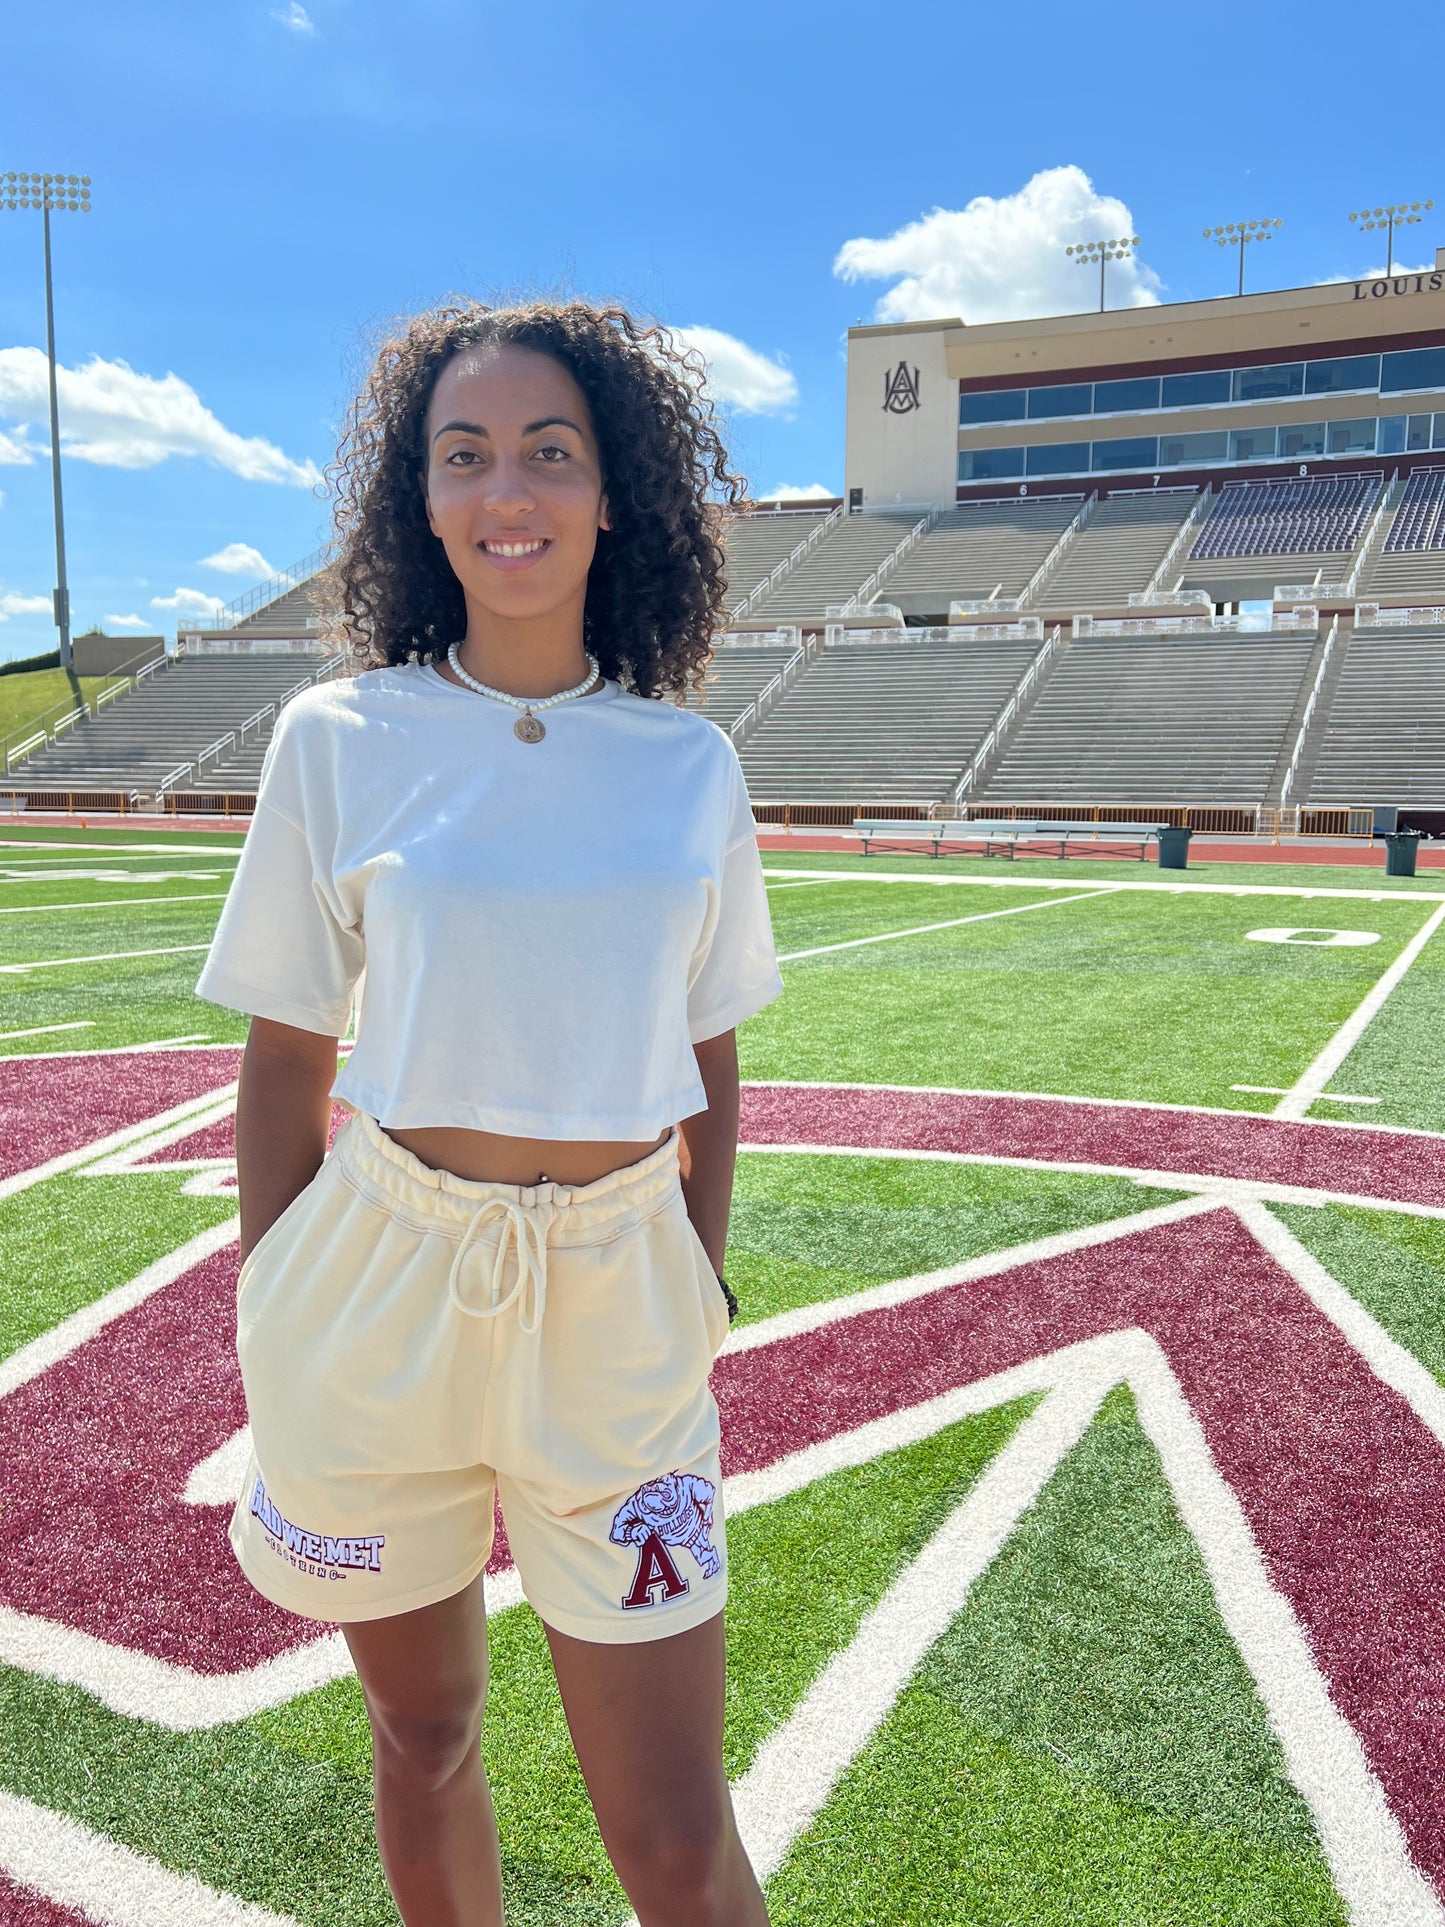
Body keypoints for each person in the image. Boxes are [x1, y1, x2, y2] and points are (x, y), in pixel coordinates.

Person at [195, 299, 784, 1927]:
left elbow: (714, 1051)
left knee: (671, 1826)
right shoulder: (338, 738)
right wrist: (277, 1292)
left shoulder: (686, 764)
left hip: (619, 1306)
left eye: (548, 449)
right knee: (426, 1730)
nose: (503, 487)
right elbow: (283, 1048)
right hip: (376, 1285)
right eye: (464, 455)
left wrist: (699, 1270)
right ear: (423, 501)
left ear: (612, 496)